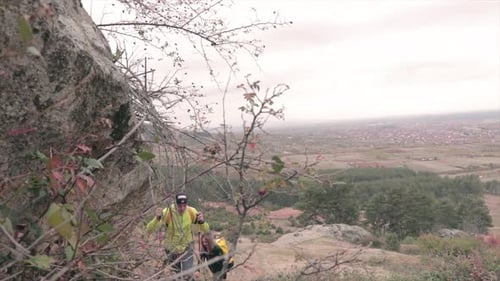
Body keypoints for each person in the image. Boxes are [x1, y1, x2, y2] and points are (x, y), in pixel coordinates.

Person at [146, 193, 210, 279]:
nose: (182, 208)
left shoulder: (191, 212)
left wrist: (202, 222)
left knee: (188, 275)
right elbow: (149, 229)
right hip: (171, 249)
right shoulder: (167, 212)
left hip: (187, 247)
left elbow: (206, 230)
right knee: (176, 276)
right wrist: (157, 218)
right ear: (175, 204)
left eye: (184, 205)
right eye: (179, 205)